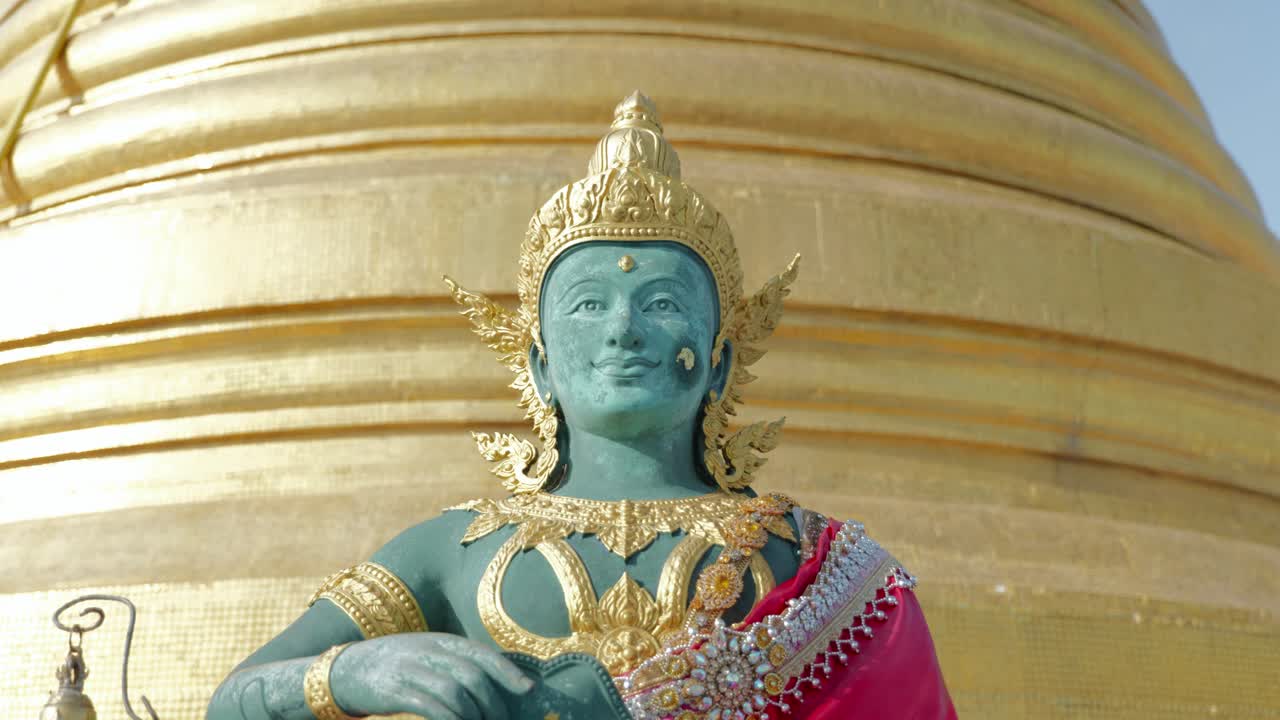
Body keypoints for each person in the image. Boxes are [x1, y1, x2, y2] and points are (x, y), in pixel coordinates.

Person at [207, 92, 955, 720]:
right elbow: (230, 700)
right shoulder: (453, 551)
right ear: (537, 366)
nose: (622, 330)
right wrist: (351, 673)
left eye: (661, 303)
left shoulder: (820, 569)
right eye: (589, 304)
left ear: (720, 361)